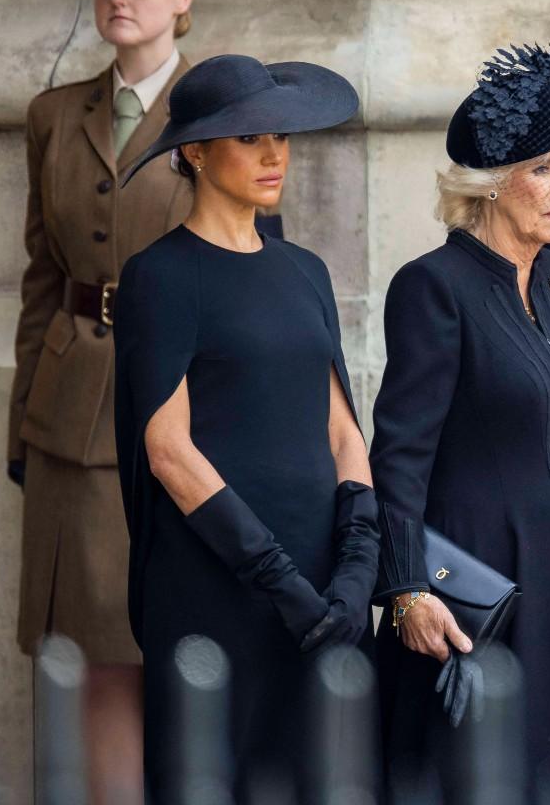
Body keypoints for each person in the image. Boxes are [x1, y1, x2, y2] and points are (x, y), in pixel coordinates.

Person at [9, 0, 279, 797]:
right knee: (99, 658)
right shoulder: (55, 115)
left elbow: (256, 282)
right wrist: (24, 425)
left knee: (193, 645)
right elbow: (41, 283)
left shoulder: (226, 115)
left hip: (191, 414)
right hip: (74, 416)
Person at [113, 54, 374, 800]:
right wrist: (276, 578)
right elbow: (167, 450)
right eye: (250, 138)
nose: (273, 155)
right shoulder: (159, 276)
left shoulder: (305, 271)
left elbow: (343, 430)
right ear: (195, 151)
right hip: (216, 584)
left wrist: (356, 567)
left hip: (323, 585)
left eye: (282, 138)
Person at [368, 45, 550, 801]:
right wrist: (408, 588)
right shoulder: (431, 288)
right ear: (488, 182)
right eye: (543, 168)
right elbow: (400, 456)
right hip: (486, 591)